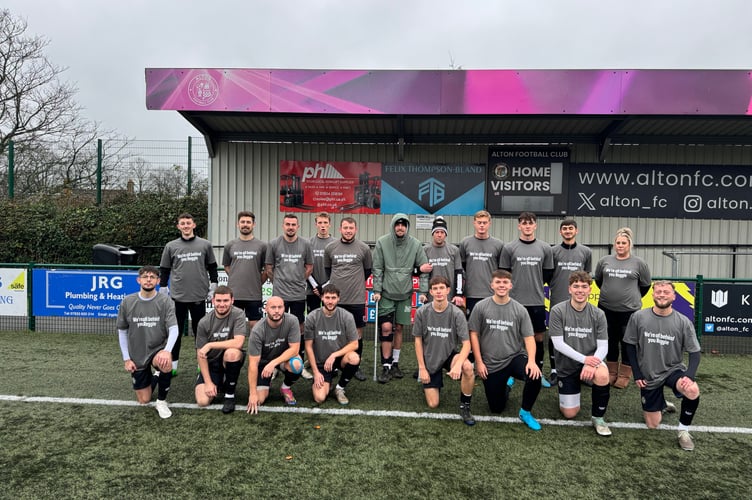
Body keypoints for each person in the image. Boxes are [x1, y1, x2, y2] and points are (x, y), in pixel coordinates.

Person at [624, 281, 702, 451]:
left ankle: (683, 431)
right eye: (658, 291)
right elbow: (629, 346)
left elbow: (695, 353)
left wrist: (689, 376)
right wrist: (636, 373)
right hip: (648, 374)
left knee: (692, 390)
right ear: (652, 295)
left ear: (674, 296)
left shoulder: (683, 322)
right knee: (653, 424)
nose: (662, 295)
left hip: (672, 370)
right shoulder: (638, 317)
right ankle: (662, 404)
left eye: (666, 292)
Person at [468, 270, 543, 431]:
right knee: (496, 408)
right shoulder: (481, 307)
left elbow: (529, 338)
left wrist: (531, 361)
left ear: (510, 285)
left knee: (535, 375)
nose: (501, 285)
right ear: (492, 285)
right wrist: (479, 363)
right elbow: (473, 334)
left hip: (514, 357)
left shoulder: (519, 309)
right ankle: (507, 385)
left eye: (505, 282)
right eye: (498, 282)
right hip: (491, 363)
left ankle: (525, 412)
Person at [549, 271, 612, 436]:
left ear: (590, 290)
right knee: (570, 413)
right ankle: (572, 387)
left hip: (591, 363)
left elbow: (604, 346)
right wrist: (585, 360)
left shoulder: (598, 314)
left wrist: (593, 362)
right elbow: (558, 344)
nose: (580, 290)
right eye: (576, 286)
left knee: (603, 374)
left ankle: (598, 418)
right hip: (568, 365)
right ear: (569, 289)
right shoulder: (557, 310)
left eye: (584, 286)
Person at [372, 213, 429, 383]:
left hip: (405, 294)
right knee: (386, 327)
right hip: (386, 293)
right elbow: (377, 269)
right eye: (397, 224)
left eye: (404, 225)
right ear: (393, 226)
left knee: (398, 328)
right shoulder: (382, 242)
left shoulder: (416, 244)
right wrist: (377, 289)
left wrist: (423, 292)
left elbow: (424, 270)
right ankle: (386, 365)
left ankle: (395, 363)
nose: (400, 227)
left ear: (407, 227)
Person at [159, 212, 219, 375]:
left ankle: (202, 365)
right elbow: (164, 269)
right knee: (175, 331)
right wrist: (163, 287)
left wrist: (214, 284)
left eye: (188, 223)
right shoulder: (171, 246)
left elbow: (212, 267)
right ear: (178, 226)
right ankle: (173, 365)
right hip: (178, 296)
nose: (186, 226)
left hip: (199, 295)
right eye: (183, 223)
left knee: (200, 332)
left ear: (194, 225)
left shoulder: (205, 245)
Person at [500, 212, 554, 388]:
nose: (527, 226)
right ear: (519, 226)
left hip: (537, 300)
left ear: (535, 225)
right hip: (514, 301)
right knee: (513, 338)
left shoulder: (545, 248)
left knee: (538, 338)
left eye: (530, 223)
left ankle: (537, 371)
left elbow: (547, 274)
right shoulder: (509, 248)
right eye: (524, 223)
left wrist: (534, 285)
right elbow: (504, 273)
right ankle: (510, 373)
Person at [117, 266, 179, 419]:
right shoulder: (127, 301)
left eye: (152, 277)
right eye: (145, 276)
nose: (149, 279)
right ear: (139, 280)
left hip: (157, 349)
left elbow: (174, 329)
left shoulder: (165, 301)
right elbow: (122, 330)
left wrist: (167, 351)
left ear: (158, 281)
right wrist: (126, 358)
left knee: (165, 362)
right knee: (144, 400)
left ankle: (161, 401)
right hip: (137, 353)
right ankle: (156, 376)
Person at [594, 227, 651, 388]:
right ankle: (611, 372)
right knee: (609, 340)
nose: (620, 245)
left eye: (623, 243)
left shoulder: (639, 263)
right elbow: (599, 280)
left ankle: (625, 374)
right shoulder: (604, 261)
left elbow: (645, 285)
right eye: (618, 243)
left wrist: (631, 298)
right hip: (606, 308)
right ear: (614, 244)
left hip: (629, 310)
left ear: (629, 245)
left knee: (627, 342)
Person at [414, 276, 475, 426]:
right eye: (435, 289)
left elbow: (466, 344)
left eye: (442, 288)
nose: (439, 291)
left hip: (449, 355)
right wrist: (422, 368)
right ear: (430, 292)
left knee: (467, 367)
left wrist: (458, 364)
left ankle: (465, 406)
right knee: (433, 404)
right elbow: (417, 340)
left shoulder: (457, 313)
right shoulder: (422, 312)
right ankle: (431, 381)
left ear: (448, 290)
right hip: (430, 357)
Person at [265, 213, 314, 378]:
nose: (290, 227)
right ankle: (276, 365)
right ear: (283, 225)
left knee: (299, 327)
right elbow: (269, 268)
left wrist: (300, 280)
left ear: (298, 226)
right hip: (280, 294)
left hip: (299, 294)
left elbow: (309, 266)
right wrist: (278, 281)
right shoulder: (273, 244)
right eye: (288, 224)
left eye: (293, 224)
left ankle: (298, 361)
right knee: (277, 328)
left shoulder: (305, 244)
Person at [324, 216, 372, 381]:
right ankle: (336, 364)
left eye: (351, 228)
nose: (348, 231)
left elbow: (367, 271)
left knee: (357, 332)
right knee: (336, 332)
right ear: (340, 229)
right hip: (337, 300)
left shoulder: (364, 249)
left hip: (356, 299)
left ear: (355, 229)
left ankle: (355, 366)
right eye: (345, 228)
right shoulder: (330, 248)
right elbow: (327, 271)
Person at [548, 218, 593, 383]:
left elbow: (586, 276)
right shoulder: (552, 251)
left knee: (579, 334)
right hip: (558, 298)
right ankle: (555, 370)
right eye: (565, 228)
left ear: (576, 231)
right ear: (560, 232)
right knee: (555, 335)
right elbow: (548, 274)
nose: (568, 231)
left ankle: (581, 368)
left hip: (580, 302)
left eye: (571, 228)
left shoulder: (586, 252)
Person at [194, 285, 248, 414]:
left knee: (232, 353)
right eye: (218, 301)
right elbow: (200, 354)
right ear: (213, 301)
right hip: (211, 362)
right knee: (202, 401)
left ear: (232, 300)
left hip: (229, 358)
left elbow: (239, 342)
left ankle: (229, 396)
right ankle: (218, 380)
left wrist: (211, 345)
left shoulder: (238, 314)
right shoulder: (204, 322)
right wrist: (207, 382)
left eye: (225, 301)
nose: (222, 304)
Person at [304, 284, 361, 405]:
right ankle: (324, 381)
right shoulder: (311, 317)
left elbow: (355, 344)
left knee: (354, 358)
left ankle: (339, 388)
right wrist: (315, 372)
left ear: (338, 298)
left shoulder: (347, 316)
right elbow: (308, 346)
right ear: (322, 298)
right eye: (327, 297)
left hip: (339, 358)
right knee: (319, 398)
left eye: (333, 298)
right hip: (321, 362)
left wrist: (334, 355)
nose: (330, 301)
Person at [246, 296, 304, 413]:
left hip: (282, 360)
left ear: (284, 308)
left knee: (297, 364)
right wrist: (252, 394)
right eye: (273, 307)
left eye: (280, 307)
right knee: (259, 400)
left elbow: (294, 350)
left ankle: (285, 388)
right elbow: (253, 364)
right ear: (266, 309)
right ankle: (266, 382)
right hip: (263, 363)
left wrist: (273, 363)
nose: (277, 311)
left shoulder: (292, 321)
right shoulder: (257, 330)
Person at [222, 211, 267, 329]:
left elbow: (267, 269)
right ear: (238, 224)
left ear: (254, 224)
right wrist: (235, 277)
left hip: (254, 294)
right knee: (233, 326)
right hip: (234, 294)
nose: (245, 224)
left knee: (255, 326)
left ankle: (254, 348)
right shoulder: (230, 245)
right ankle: (234, 348)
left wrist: (258, 281)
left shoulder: (262, 246)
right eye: (242, 222)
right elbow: (226, 266)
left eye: (248, 222)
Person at [459, 210, 504, 316]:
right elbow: (462, 267)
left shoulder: (499, 244)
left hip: (491, 293)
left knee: (490, 326)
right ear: (474, 223)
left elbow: (501, 270)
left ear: (489, 223)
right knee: (472, 327)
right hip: (471, 293)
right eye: (479, 222)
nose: (482, 225)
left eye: (485, 222)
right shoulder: (465, 243)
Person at [420, 216, 465, 307]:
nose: (439, 235)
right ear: (433, 234)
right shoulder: (425, 250)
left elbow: (459, 273)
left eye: (442, 232)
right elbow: (419, 273)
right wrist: (423, 293)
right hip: (430, 297)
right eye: (437, 232)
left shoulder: (454, 250)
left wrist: (458, 294)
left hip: (449, 296)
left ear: (446, 234)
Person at [307, 212, 334, 313]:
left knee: (329, 319)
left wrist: (324, 286)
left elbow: (337, 268)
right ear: (316, 224)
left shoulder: (335, 243)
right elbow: (305, 267)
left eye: (325, 222)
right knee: (313, 320)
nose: (323, 225)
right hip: (312, 291)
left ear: (329, 224)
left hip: (330, 291)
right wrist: (315, 286)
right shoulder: (308, 243)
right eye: (320, 222)